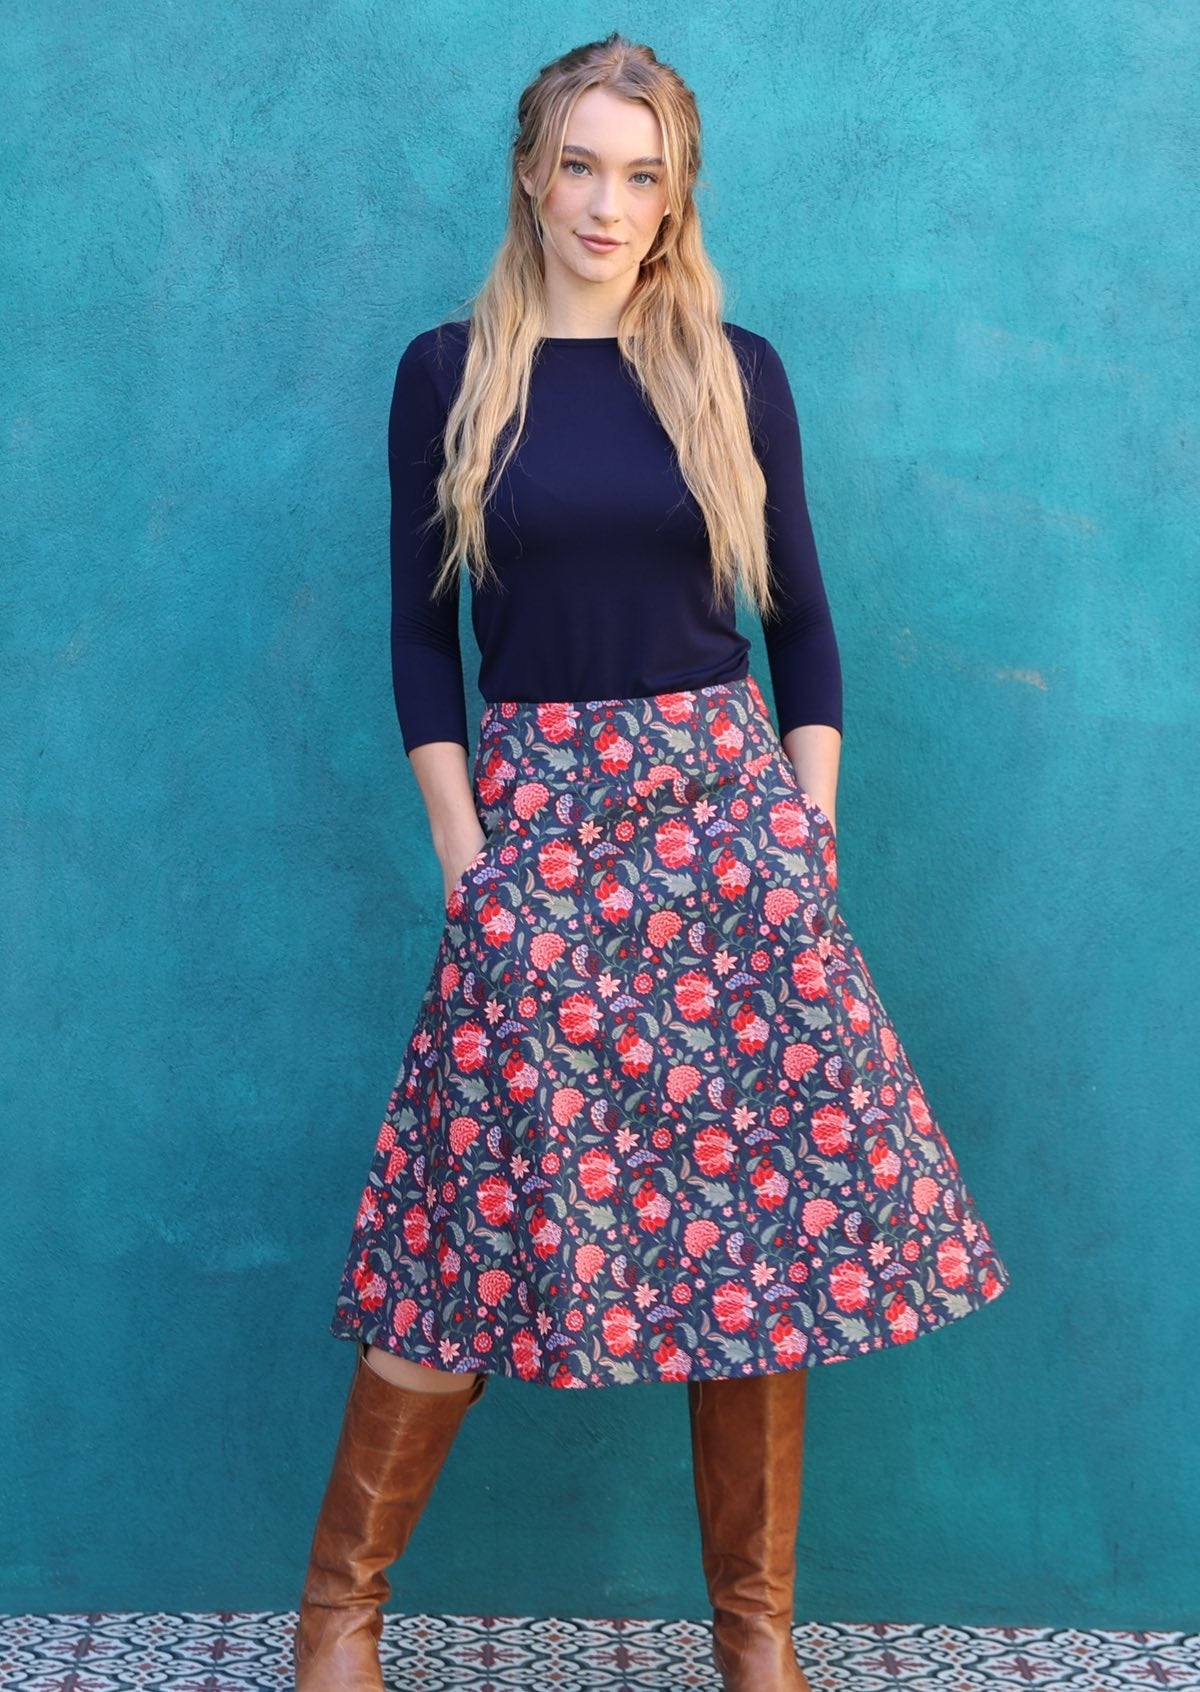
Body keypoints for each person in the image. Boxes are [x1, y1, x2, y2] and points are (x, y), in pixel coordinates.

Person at [293, 31, 1011, 1692]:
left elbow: (805, 627)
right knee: (459, 1207)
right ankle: (341, 1614)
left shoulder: (732, 368)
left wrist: (805, 834)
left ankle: (755, 1643)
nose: (605, 203)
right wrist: (472, 862)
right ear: (530, 171)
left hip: (729, 823)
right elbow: (420, 644)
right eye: (579, 165)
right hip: (539, 828)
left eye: (641, 172)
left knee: (760, 1235)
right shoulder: (450, 370)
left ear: (675, 191)